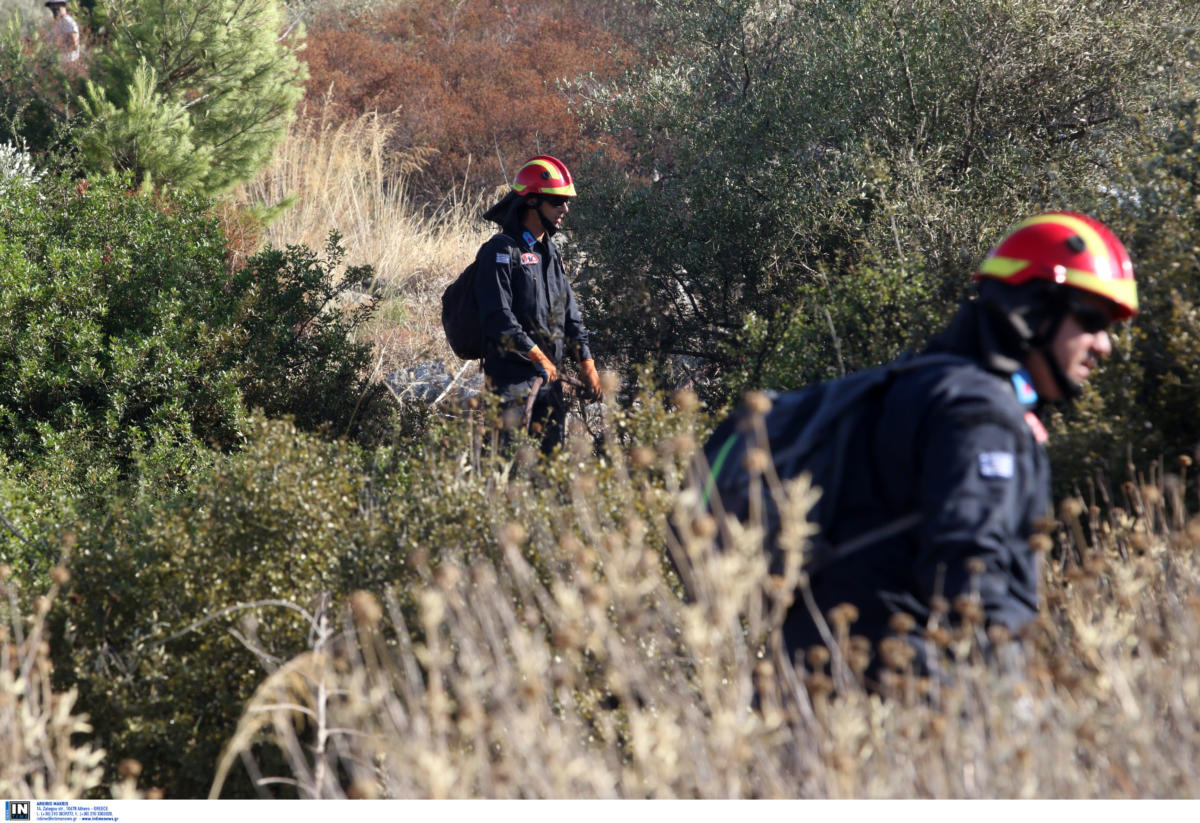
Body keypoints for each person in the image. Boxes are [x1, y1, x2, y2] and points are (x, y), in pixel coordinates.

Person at [782, 212, 1138, 682]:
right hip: (898, 691)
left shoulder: (916, 385)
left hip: (815, 678)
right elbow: (972, 573)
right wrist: (1005, 698)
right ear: (1033, 310)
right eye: (1091, 320)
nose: (1104, 345)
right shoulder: (977, 412)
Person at [474, 154, 602, 453]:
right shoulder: (499, 251)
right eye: (557, 201)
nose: (565, 209)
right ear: (531, 202)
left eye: (566, 201)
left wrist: (587, 364)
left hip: (550, 383)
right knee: (504, 464)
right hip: (509, 384)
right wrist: (538, 358)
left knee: (550, 467)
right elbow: (497, 318)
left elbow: (570, 316)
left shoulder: (551, 252)